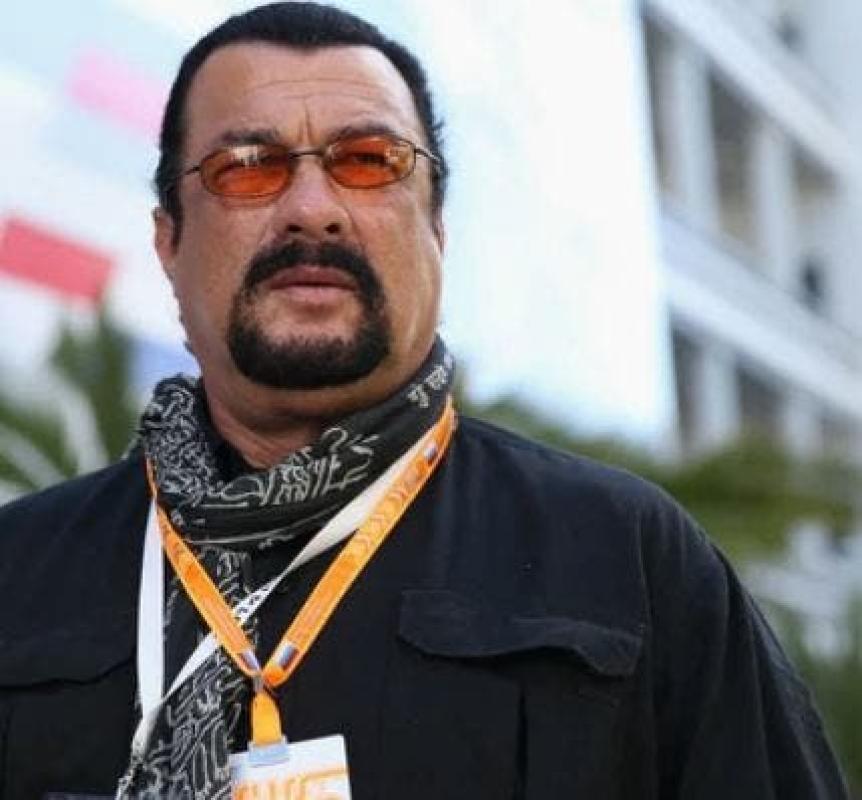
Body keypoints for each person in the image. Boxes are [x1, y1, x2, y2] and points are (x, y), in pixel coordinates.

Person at [0, 3, 849, 798]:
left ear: (438, 230)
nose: (312, 210)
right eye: (250, 167)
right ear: (169, 242)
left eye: (368, 161)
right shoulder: (18, 575)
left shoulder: (630, 561)